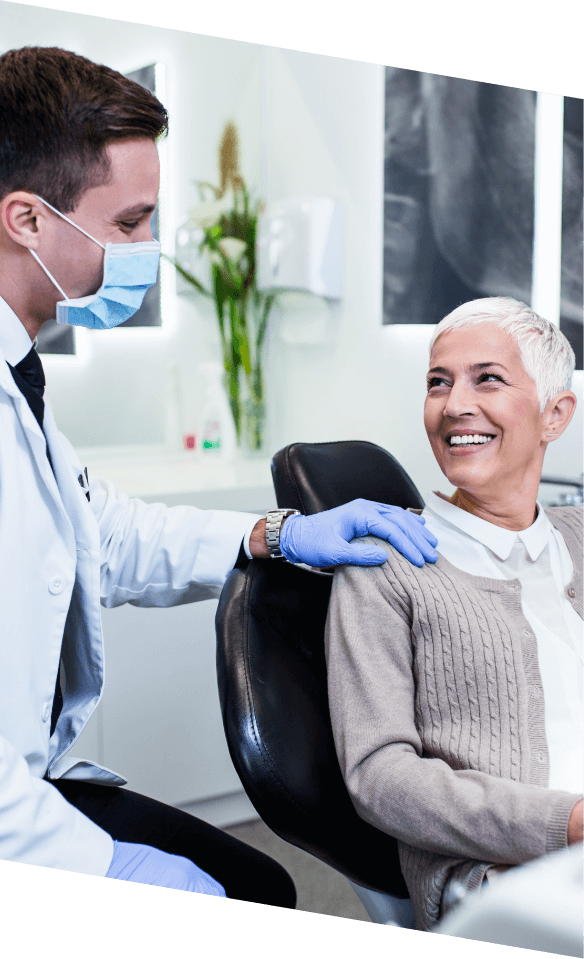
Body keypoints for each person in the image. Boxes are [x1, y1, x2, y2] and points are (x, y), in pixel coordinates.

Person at [0, 46, 440, 905]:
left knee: (260, 883)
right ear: (26, 219)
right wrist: (105, 862)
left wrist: (272, 531)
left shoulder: (21, 381)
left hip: (30, 775)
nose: (151, 249)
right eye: (129, 224)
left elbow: (103, 532)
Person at [324, 296, 583, 932]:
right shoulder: (387, 565)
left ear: (556, 414)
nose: (454, 404)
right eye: (438, 383)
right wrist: (568, 821)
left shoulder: (576, 537)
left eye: (486, 378)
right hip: (504, 873)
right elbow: (379, 776)